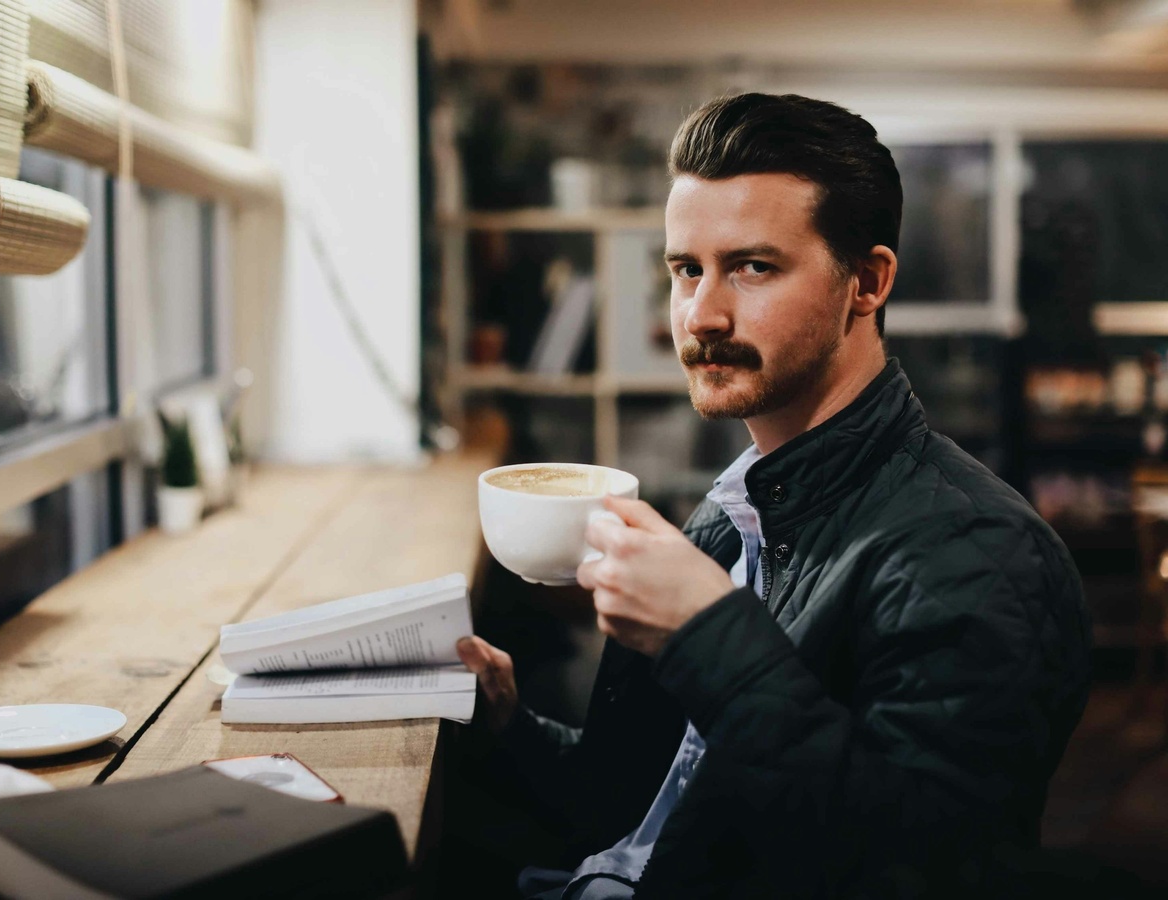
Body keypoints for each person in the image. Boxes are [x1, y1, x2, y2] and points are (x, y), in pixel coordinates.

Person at [456, 93, 1092, 899]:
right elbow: (640, 814)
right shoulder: (735, 512)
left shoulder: (983, 556)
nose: (702, 315)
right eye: (686, 270)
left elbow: (921, 870)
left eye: (752, 267)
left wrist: (709, 637)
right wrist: (508, 723)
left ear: (866, 282)